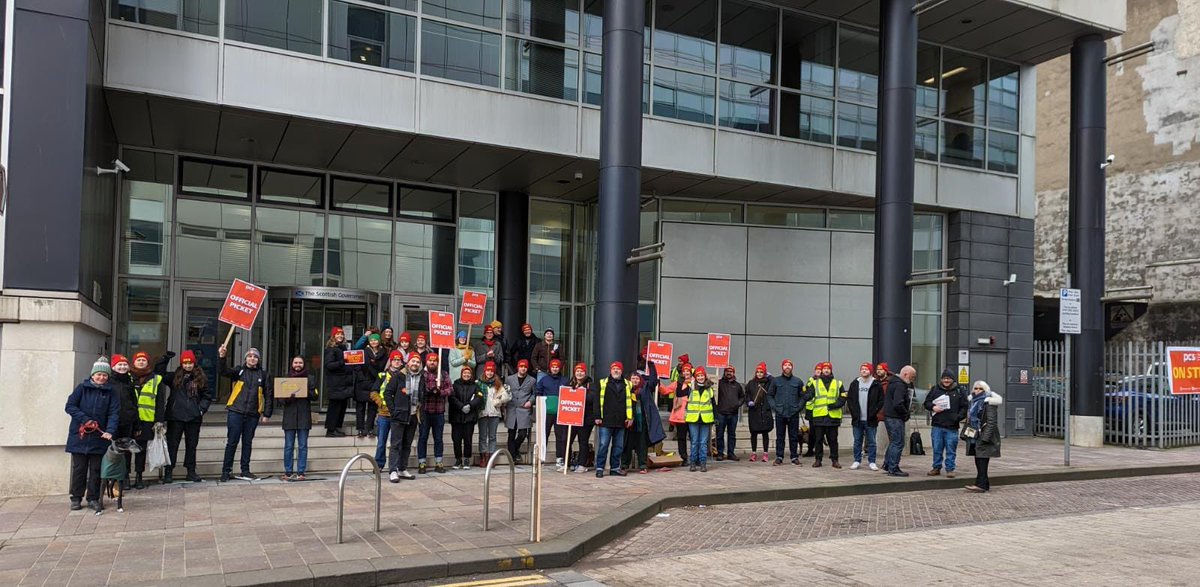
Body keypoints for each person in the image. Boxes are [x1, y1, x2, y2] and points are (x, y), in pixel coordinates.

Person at [65, 358, 119, 512]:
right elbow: (70, 406)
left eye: (104, 375)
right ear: (93, 375)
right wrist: (86, 420)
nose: (101, 378)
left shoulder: (111, 392)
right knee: (79, 469)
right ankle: (76, 498)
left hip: (99, 438)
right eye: (99, 375)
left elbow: (114, 413)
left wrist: (110, 430)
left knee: (96, 470)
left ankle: (93, 498)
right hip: (80, 436)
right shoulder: (82, 388)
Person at [216, 345, 273, 482]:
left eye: (255, 356)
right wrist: (222, 357)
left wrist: (267, 414)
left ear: (258, 360)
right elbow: (223, 371)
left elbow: (269, 395)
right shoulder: (239, 371)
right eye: (250, 356)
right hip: (236, 411)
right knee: (232, 442)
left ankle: (245, 470)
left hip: (253, 414)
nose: (252, 358)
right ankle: (225, 471)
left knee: (247, 443)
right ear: (246, 358)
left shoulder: (264, 375)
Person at [164, 350, 210, 483]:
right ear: (181, 363)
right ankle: (169, 471)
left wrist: (200, 409)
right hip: (175, 416)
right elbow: (159, 373)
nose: (188, 365)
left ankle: (191, 471)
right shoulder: (174, 377)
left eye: (190, 363)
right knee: (172, 445)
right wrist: (165, 359)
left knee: (191, 445)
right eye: (185, 363)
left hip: (193, 417)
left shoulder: (200, 377)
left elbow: (207, 396)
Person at [128, 351, 171, 489]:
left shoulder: (155, 379)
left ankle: (139, 476)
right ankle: (125, 477)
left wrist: (159, 421)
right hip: (130, 420)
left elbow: (159, 402)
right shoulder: (127, 377)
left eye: (144, 360)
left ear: (148, 363)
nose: (141, 362)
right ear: (133, 362)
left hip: (147, 420)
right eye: (138, 360)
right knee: (127, 450)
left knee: (141, 449)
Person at [383, 351, 425, 481]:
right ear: (408, 362)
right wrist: (393, 410)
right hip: (399, 415)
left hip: (413, 415)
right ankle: (393, 470)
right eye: (413, 361)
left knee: (407, 444)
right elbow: (387, 393)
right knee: (395, 444)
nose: (415, 364)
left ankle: (402, 468)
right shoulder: (398, 376)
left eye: (418, 362)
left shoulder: (421, 377)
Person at [623, 362, 666, 474]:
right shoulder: (626, 389)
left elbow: (652, 381)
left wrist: (652, 367)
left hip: (642, 422)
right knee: (627, 445)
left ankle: (643, 465)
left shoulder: (645, 388)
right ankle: (624, 465)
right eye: (633, 378)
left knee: (642, 445)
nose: (635, 380)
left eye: (637, 378)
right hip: (629, 423)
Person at [925, 368, 968, 478]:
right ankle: (936, 467)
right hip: (937, 425)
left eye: (948, 378)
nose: (946, 380)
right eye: (944, 378)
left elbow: (965, 407)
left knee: (951, 449)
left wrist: (958, 417)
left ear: (953, 379)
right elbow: (926, 403)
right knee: (937, 448)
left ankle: (950, 469)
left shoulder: (959, 391)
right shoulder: (935, 390)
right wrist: (933, 407)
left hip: (952, 427)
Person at [592, 361, 632, 478]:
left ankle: (615, 468)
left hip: (621, 420)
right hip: (606, 419)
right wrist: (597, 416)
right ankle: (600, 468)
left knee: (618, 446)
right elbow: (596, 401)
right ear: (610, 370)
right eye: (614, 369)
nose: (616, 371)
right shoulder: (602, 383)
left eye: (618, 369)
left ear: (621, 371)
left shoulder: (627, 384)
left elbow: (630, 403)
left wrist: (630, 417)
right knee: (603, 445)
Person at [280, 356, 318, 481]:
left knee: (302, 446)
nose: (298, 364)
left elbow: (315, 396)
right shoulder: (286, 378)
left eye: (300, 362)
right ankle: (288, 471)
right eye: (296, 362)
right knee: (289, 446)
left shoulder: (310, 378)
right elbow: (280, 399)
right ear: (292, 364)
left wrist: (305, 390)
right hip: (289, 417)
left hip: (303, 417)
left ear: (303, 364)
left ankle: (301, 472)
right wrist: (288, 397)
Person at [804, 362, 846, 468]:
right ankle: (818, 460)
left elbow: (843, 397)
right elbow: (810, 394)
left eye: (828, 368)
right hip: (819, 416)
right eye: (824, 368)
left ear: (831, 370)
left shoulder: (838, 383)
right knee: (818, 440)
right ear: (821, 371)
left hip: (833, 417)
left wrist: (835, 405)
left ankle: (835, 460)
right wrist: (804, 396)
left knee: (833, 440)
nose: (826, 370)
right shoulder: (815, 383)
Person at [417, 352, 452, 473]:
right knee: (423, 438)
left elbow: (450, 389)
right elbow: (419, 388)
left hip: (439, 411)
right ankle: (422, 463)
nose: (432, 362)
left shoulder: (443, 374)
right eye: (430, 360)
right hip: (425, 411)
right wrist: (429, 391)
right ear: (426, 362)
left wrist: (440, 391)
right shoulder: (422, 374)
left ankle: (439, 462)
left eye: (435, 360)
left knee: (438, 438)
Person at [846, 362, 884, 471]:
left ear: (870, 371)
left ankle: (872, 462)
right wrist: (853, 413)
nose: (864, 371)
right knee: (857, 441)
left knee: (872, 441)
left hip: (871, 419)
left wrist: (875, 411)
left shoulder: (876, 384)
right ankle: (857, 460)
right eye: (862, 369)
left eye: (866, 369)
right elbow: (850, 400)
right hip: (857, 419)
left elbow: (881, 400)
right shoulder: (855, 383)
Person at [965, 380, 1002, 493]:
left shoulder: (989, 402)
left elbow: (991, 422)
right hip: (975, 434)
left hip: (984, 435)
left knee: (982, 459)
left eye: (980, 389)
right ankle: (984, 484)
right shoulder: (973, 402)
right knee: (979, 458)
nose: (977, 390)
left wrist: (985, 438)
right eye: (975, 388)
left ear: (985, 390)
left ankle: (980, 484)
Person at [107, 354, 138, 487]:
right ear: (113, 367)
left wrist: (137, 424)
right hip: (112, 423)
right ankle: (113, 479)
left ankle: (125, 477)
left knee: (126, 451)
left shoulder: (130, 382)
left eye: (125, 364)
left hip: (127, 421)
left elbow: (134, 404)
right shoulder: (108, 382)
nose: (122, 367)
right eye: (119, 364)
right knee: (113, 450)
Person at [767, 359, 804, 466]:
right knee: (780, 437)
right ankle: (779, 457)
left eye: (789, 365)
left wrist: (799, 407)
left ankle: (794, 457)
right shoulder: (776, 381)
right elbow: (769, 395)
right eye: (785, 365)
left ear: (792, 367)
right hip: (780, 413)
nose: (787, 367)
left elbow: (803, 396)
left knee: (794, 436)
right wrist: (775, 407)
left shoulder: (798, 381)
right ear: (782, 367)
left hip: (793, 413)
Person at [882, 365, 917, 477]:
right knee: (898, 442)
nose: (912, 380)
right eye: (912, 377)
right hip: (895, 417)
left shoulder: (893, 382)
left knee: (894, 442)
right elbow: (898, 403)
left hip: (890, 416)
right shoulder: (900, 385)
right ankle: (893, 467)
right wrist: (905, 413)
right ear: (906, 374)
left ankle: (888, 464)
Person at [536, 358, 569, 470]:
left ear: (559, 368)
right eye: (553, 366)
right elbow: (538, 393)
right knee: (544, 434)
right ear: (550, 368)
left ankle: (560, 458)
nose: (555, 368)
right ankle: (541, 457)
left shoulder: (565, 380)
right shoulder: (544, 380)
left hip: (561, 413)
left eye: (557, 367)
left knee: (561, 436)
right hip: (547, 412)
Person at [449, 365, 484, 469]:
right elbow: (452, 397)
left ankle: (467, 459)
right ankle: (458, 459)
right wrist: (461, 406)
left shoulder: (475, 386)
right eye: (465, 373)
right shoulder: (455, 384)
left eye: (468, 373)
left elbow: (479, 397)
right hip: (456, 417)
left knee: (468, 439)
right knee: (456, 439)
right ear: (461, 374)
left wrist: (470, 405)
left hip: (469, 417)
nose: (466, 375)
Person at [476, 361, 509, 466]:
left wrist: (497, 402)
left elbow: (505, 397)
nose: (489, 373)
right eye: (487, 370)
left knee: (492, 436)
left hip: (494, 413)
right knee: (482, 436)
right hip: (483, 412)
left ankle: (491, 457)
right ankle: (483, 457)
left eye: (491, 371)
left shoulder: (497, 383)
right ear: (484, 371)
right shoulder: (479, 383)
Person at [684, 367, 716, 472]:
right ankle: (693, 462)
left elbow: (713, 404)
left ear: (705, 376)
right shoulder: (691, 387)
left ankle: (703, 463)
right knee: (694, 442)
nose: (700, 377)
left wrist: (715, 418)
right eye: (698, 376)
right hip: (693, 418)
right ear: (695, 377)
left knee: (703, 442)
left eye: (702, 375)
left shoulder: (709, 389)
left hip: (706, 419)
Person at [323, 327, 354, 437]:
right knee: (335, 408)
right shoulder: (331, 349)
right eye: (337, 334)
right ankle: (331, 429)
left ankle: (336, 428)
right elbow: (329, 365)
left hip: (343, 384)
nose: (340, 336)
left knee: (341, 407)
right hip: (336, 384)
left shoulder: (343, 348)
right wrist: (342, 362)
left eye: (341, 334)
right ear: (333, 336)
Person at [354, 333, 386, 438]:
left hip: (374, 382)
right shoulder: (363, 351)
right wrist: (360, 377)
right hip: (362, 383)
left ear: (379, 341)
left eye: (375, 340)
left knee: (372, 407)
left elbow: (382, 367)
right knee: (360, 408)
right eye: (371, 340)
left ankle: (370, 429)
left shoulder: (383, 353)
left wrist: (374, 363)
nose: (373, 342)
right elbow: (357, 366)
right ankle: (360, 429)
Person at [505, 359, 536, 464]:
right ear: (518, 367)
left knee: (523, 433)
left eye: (525, 367)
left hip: (524, 408)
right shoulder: (509, 379)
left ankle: (514, 448)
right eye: (521, 366)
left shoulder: (532, 380)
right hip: (512, 408)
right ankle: (512, 456)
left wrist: (530, 402)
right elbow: (505, 391)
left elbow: (534, 393)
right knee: (511, 433)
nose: (523, 368)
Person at [567, 363, 595, 473]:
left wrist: (581, 392)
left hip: (585, 418)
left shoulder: (590, 384)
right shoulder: (570, 383)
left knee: (583, 441)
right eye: (577, 371)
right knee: (568, 440)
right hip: (572, 416)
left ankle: (582, 464)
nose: (579, 373)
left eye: (581, 371)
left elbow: (591, 399)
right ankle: (568, 462)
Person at [715, 366, 745, 461]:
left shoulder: (737, 385)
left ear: (734, 373)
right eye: (727, 371)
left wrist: (738, 404)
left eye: (731, 371)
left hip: (733, 414)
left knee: (732, 434)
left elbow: (742, 397)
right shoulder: (719, 383)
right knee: (719, 434)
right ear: (724, 372)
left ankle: (731, 453)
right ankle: (720, 453)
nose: (729, 373)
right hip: (721, 413)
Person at [745, 362, 773, 463]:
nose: (759, 374)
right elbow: (747, 394)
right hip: (754, 411)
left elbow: (774, 386)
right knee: (754, 433)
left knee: (765, 433)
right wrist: (749, 402)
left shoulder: (768, 383)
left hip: (764, 411)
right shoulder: (751, 383)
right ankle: (754, 453)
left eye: (761, 372)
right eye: (758, 372)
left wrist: (771, 377)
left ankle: (765, 453)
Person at [671, 362, 694, 466]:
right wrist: (658, 383)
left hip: (693, 414)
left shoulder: (696, 382)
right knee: (681, 437)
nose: (685, 373)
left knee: (694, 437)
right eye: (684, 371)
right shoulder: (677, 383)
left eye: (687, 371)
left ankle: (695, 457)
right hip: (680, 416)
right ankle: (683, 457)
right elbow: (667, 390)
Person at [802, 363, 820, 458]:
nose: (818, 371)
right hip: (811, 410)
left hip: (821, 410)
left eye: (820, 369)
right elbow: (806, 391)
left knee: (821, 432)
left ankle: (818, 450)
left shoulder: (826, 382)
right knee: (812, 432)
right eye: (816, 369)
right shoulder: (811, 380)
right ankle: (810, 450)